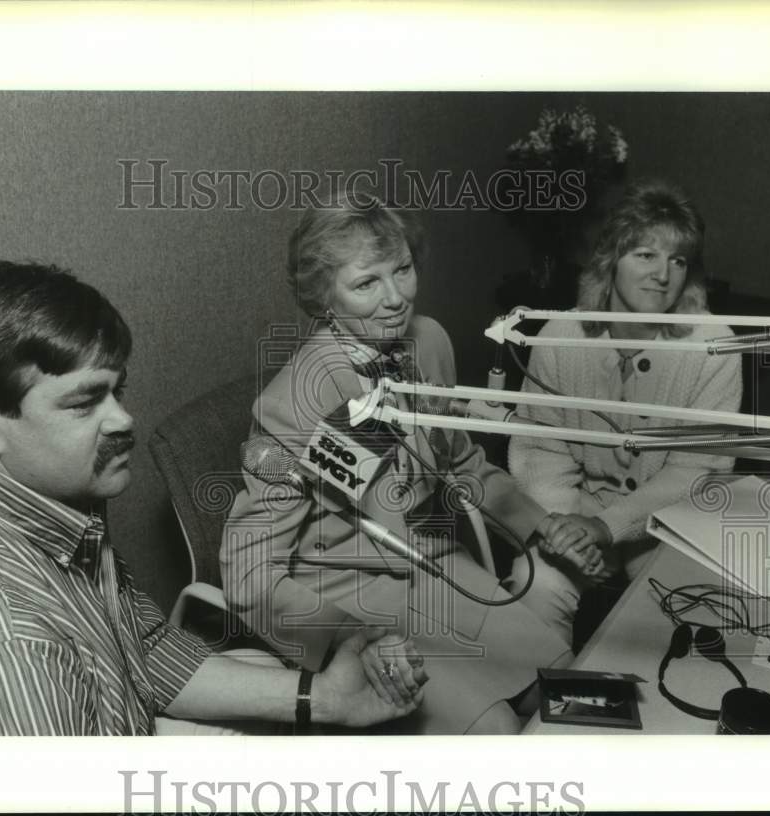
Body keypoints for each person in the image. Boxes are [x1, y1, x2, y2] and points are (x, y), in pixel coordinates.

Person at [0, 260, 425, 736]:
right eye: (84, 402)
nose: (123, 419)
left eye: (117, 391)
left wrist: (323, 698)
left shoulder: (16, 489)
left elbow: (138, 646)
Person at [221, 196, 579, 735]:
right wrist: (345, 637)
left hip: (437, 568)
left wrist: (540, 523)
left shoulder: (428, 341)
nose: (395, 298)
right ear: (323, 295)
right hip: (349, 600)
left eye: (403, 269)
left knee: (571, 693)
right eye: (366, 283)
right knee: (495, 732)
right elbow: (248, 573)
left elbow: (460, 462)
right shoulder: (293, 402)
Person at [508, 180, 743, 644]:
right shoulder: (559, 335)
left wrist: (607, 528)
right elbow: (539, 449)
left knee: (684, 612)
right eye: (646, 255)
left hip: (667, 526)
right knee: (532, 585)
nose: (663, 275)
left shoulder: (715, 347)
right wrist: (565, 531)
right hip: (571, 512)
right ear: (610, 259)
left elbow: (695, 472)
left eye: (678, 260)